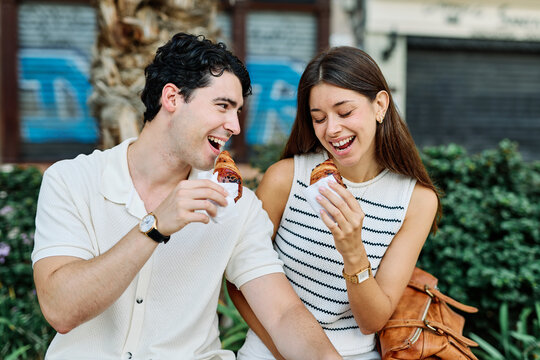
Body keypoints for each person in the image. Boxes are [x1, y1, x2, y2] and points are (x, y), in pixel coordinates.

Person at [32, 33, 342, 360]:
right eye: (223, 106)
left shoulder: (237, 204)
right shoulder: (71, 181)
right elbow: (61, 310)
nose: (235, 126)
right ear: (172, 98)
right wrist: (154, 227)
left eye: (237, 111)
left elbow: (282, 315)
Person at [228, 46, 441, 360]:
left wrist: (352, 250)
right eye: (318, 118)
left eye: (345, 112)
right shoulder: (284, 179)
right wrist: (288, 353)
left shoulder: (416, 201)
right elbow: (238, 280)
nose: (332, 129)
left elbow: (373, 321)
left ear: (380, 105)